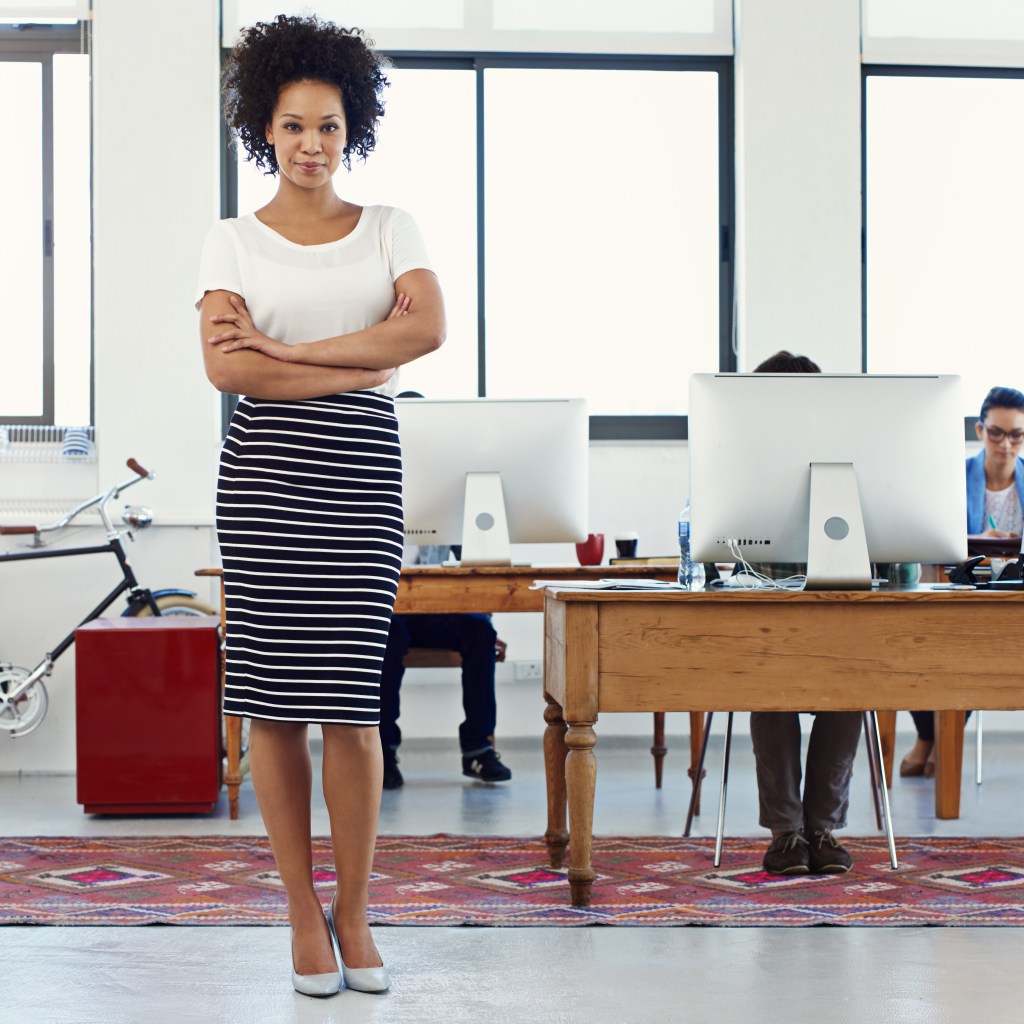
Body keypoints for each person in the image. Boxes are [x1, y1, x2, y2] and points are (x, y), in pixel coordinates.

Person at [196, 15, 445, 998]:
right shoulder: (230, 238)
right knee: (272, 700)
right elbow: (223, 367)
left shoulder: (392, 228)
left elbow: (422, 331)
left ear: (353, 130)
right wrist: (353, 349)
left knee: (350, 701)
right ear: (265, 128)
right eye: (293, 125)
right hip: (264, 477)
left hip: (359, 473)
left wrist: (285, 354)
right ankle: (302, 911)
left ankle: (356, 907)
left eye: (329, 126)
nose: (312, 144)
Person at [746, 351, 861, 875]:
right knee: (771, 685)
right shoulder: (739, 456)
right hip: (763, 617)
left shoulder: (845, 458)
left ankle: (822, 830)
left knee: (852, 684)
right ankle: (787, 834)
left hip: (833, 608)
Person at [900, 385, 1024, 778]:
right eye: (996, 433)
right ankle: (934, 736)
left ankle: (931, 741)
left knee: (976, 650)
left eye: (1017, 434)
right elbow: (935, 540)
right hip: (962, 594)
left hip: (1011, 603)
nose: (1006, 444)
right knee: (923, 642)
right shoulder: (954, 479)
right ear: (979, 430)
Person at [379, 546, 512, 789]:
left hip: (434, 609)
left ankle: (478, 750)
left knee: (480, 631)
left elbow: (479, 564)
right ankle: (382, 752)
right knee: (389, 636)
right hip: (388, 609)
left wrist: (486, 618)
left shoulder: (449, 510)